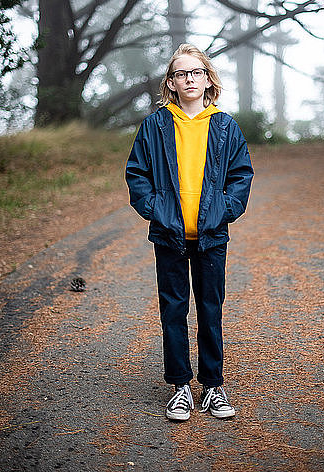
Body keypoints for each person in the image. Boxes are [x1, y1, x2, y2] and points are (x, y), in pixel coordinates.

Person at [125, 43, 254, 422]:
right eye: (181, 73)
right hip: (169, 235)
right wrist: (156, 211)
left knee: (210, 308)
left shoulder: (225, 126)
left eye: (196, 72)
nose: (189, 79)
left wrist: (224, 210)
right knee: (174, 308)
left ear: (207, 78)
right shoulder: (155, 125)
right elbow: (137, 174)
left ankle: (213, 385)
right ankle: (180, 386)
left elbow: (241, 175)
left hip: (212, 236)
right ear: (172, 82)